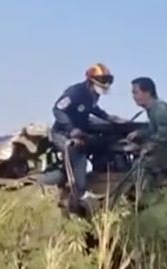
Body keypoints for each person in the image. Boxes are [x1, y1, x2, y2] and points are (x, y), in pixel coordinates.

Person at [51, 63, 125, 210]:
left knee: (105, 143)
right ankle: (79, 194)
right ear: (91, 81)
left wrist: (108, 117)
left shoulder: (93, 95)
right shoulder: (75, 92)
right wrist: (71, 129)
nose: (104, 86)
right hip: (62, 134)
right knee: (77, 153)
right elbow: (57, 110)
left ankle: (101, 177)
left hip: (80, 132)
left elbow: (93, 108)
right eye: (102, 82)